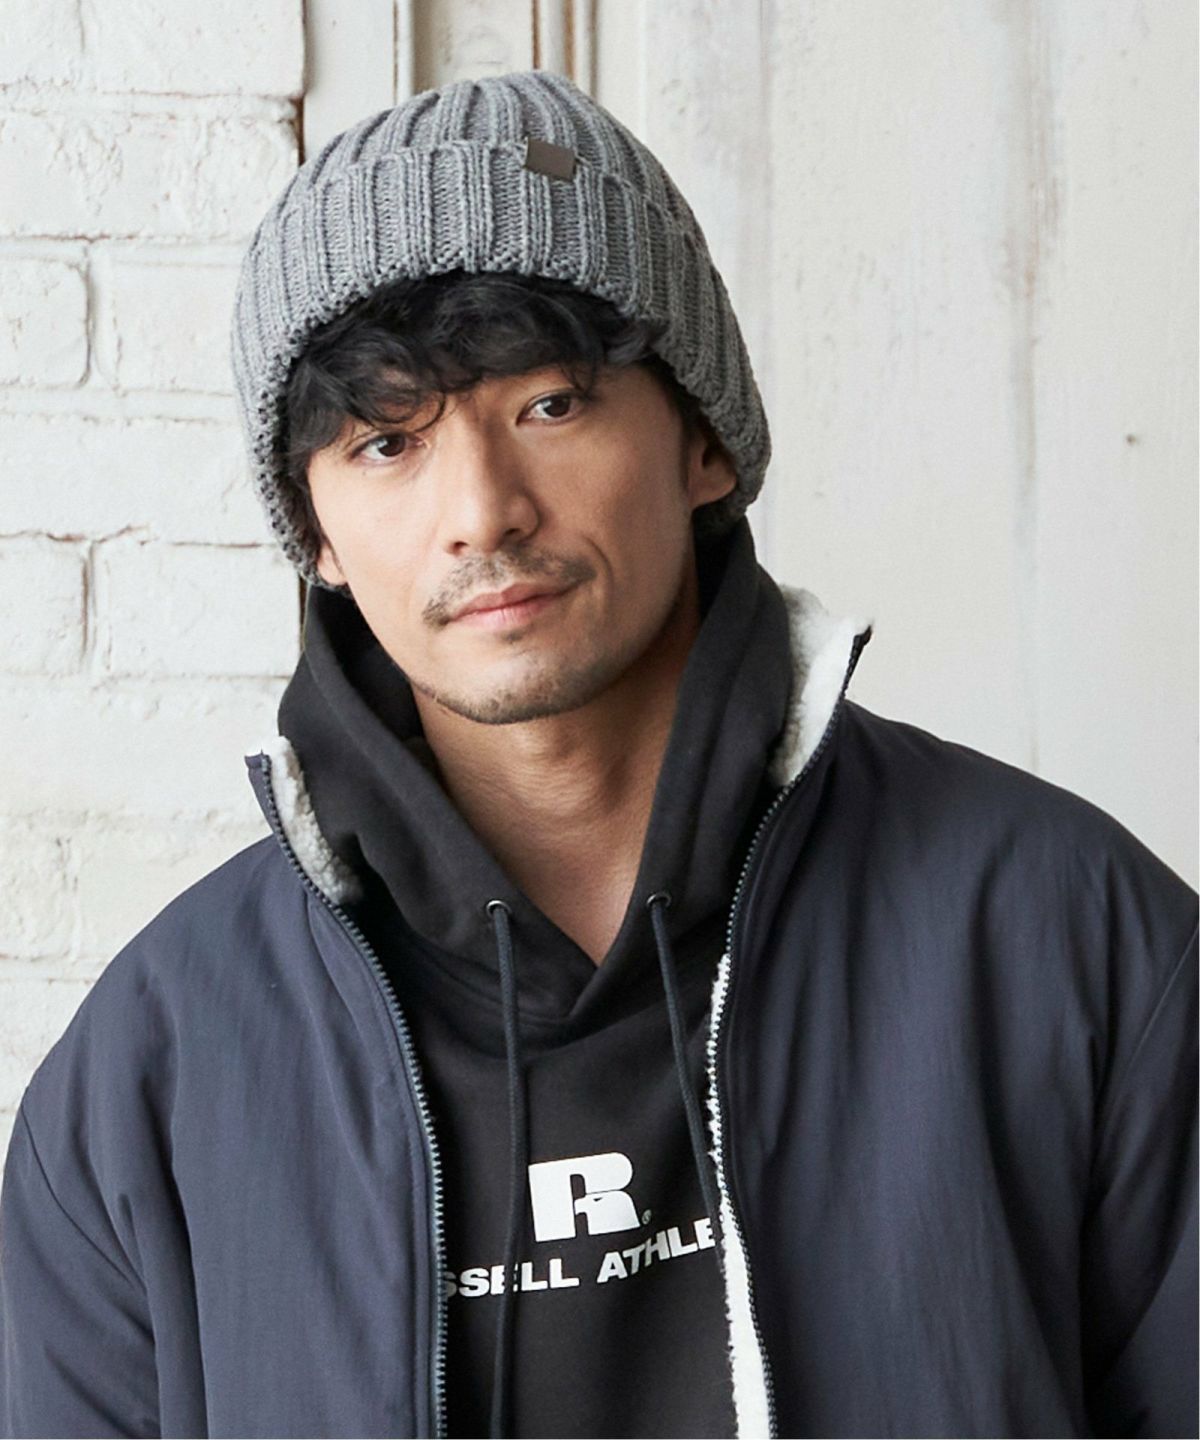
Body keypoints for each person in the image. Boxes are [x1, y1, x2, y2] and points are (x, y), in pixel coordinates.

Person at [0, 68, 1195, 1440]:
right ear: (315, 535)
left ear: (702, 443)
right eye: (386, 442)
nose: (481, 512)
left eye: (551, 404)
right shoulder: (150, 1079)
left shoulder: (1071, 942)